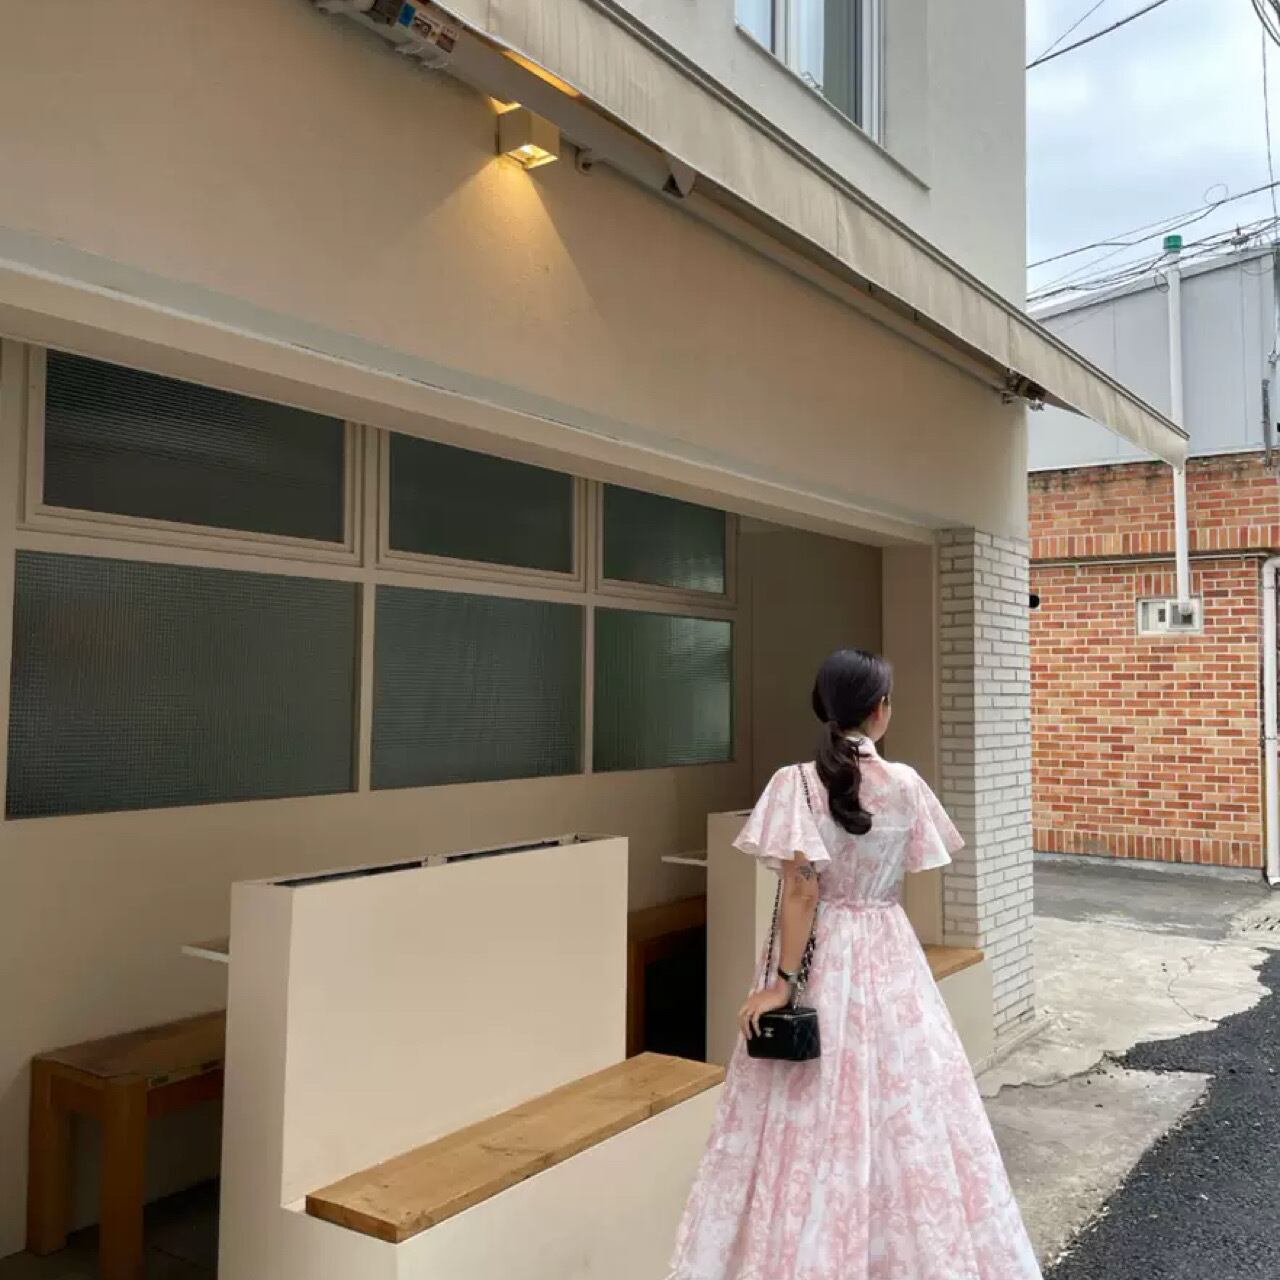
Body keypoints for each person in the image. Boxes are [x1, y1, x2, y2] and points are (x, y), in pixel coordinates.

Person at [667, 648, 1041, 1280]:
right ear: (879, 710)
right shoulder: (907, 786)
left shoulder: (794, 784)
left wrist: (782, 984)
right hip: (890, 952)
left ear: (825, 707)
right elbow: (910, 870)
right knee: (908, 1102)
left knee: (809, 1106)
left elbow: (802, 890)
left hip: (825, 955)